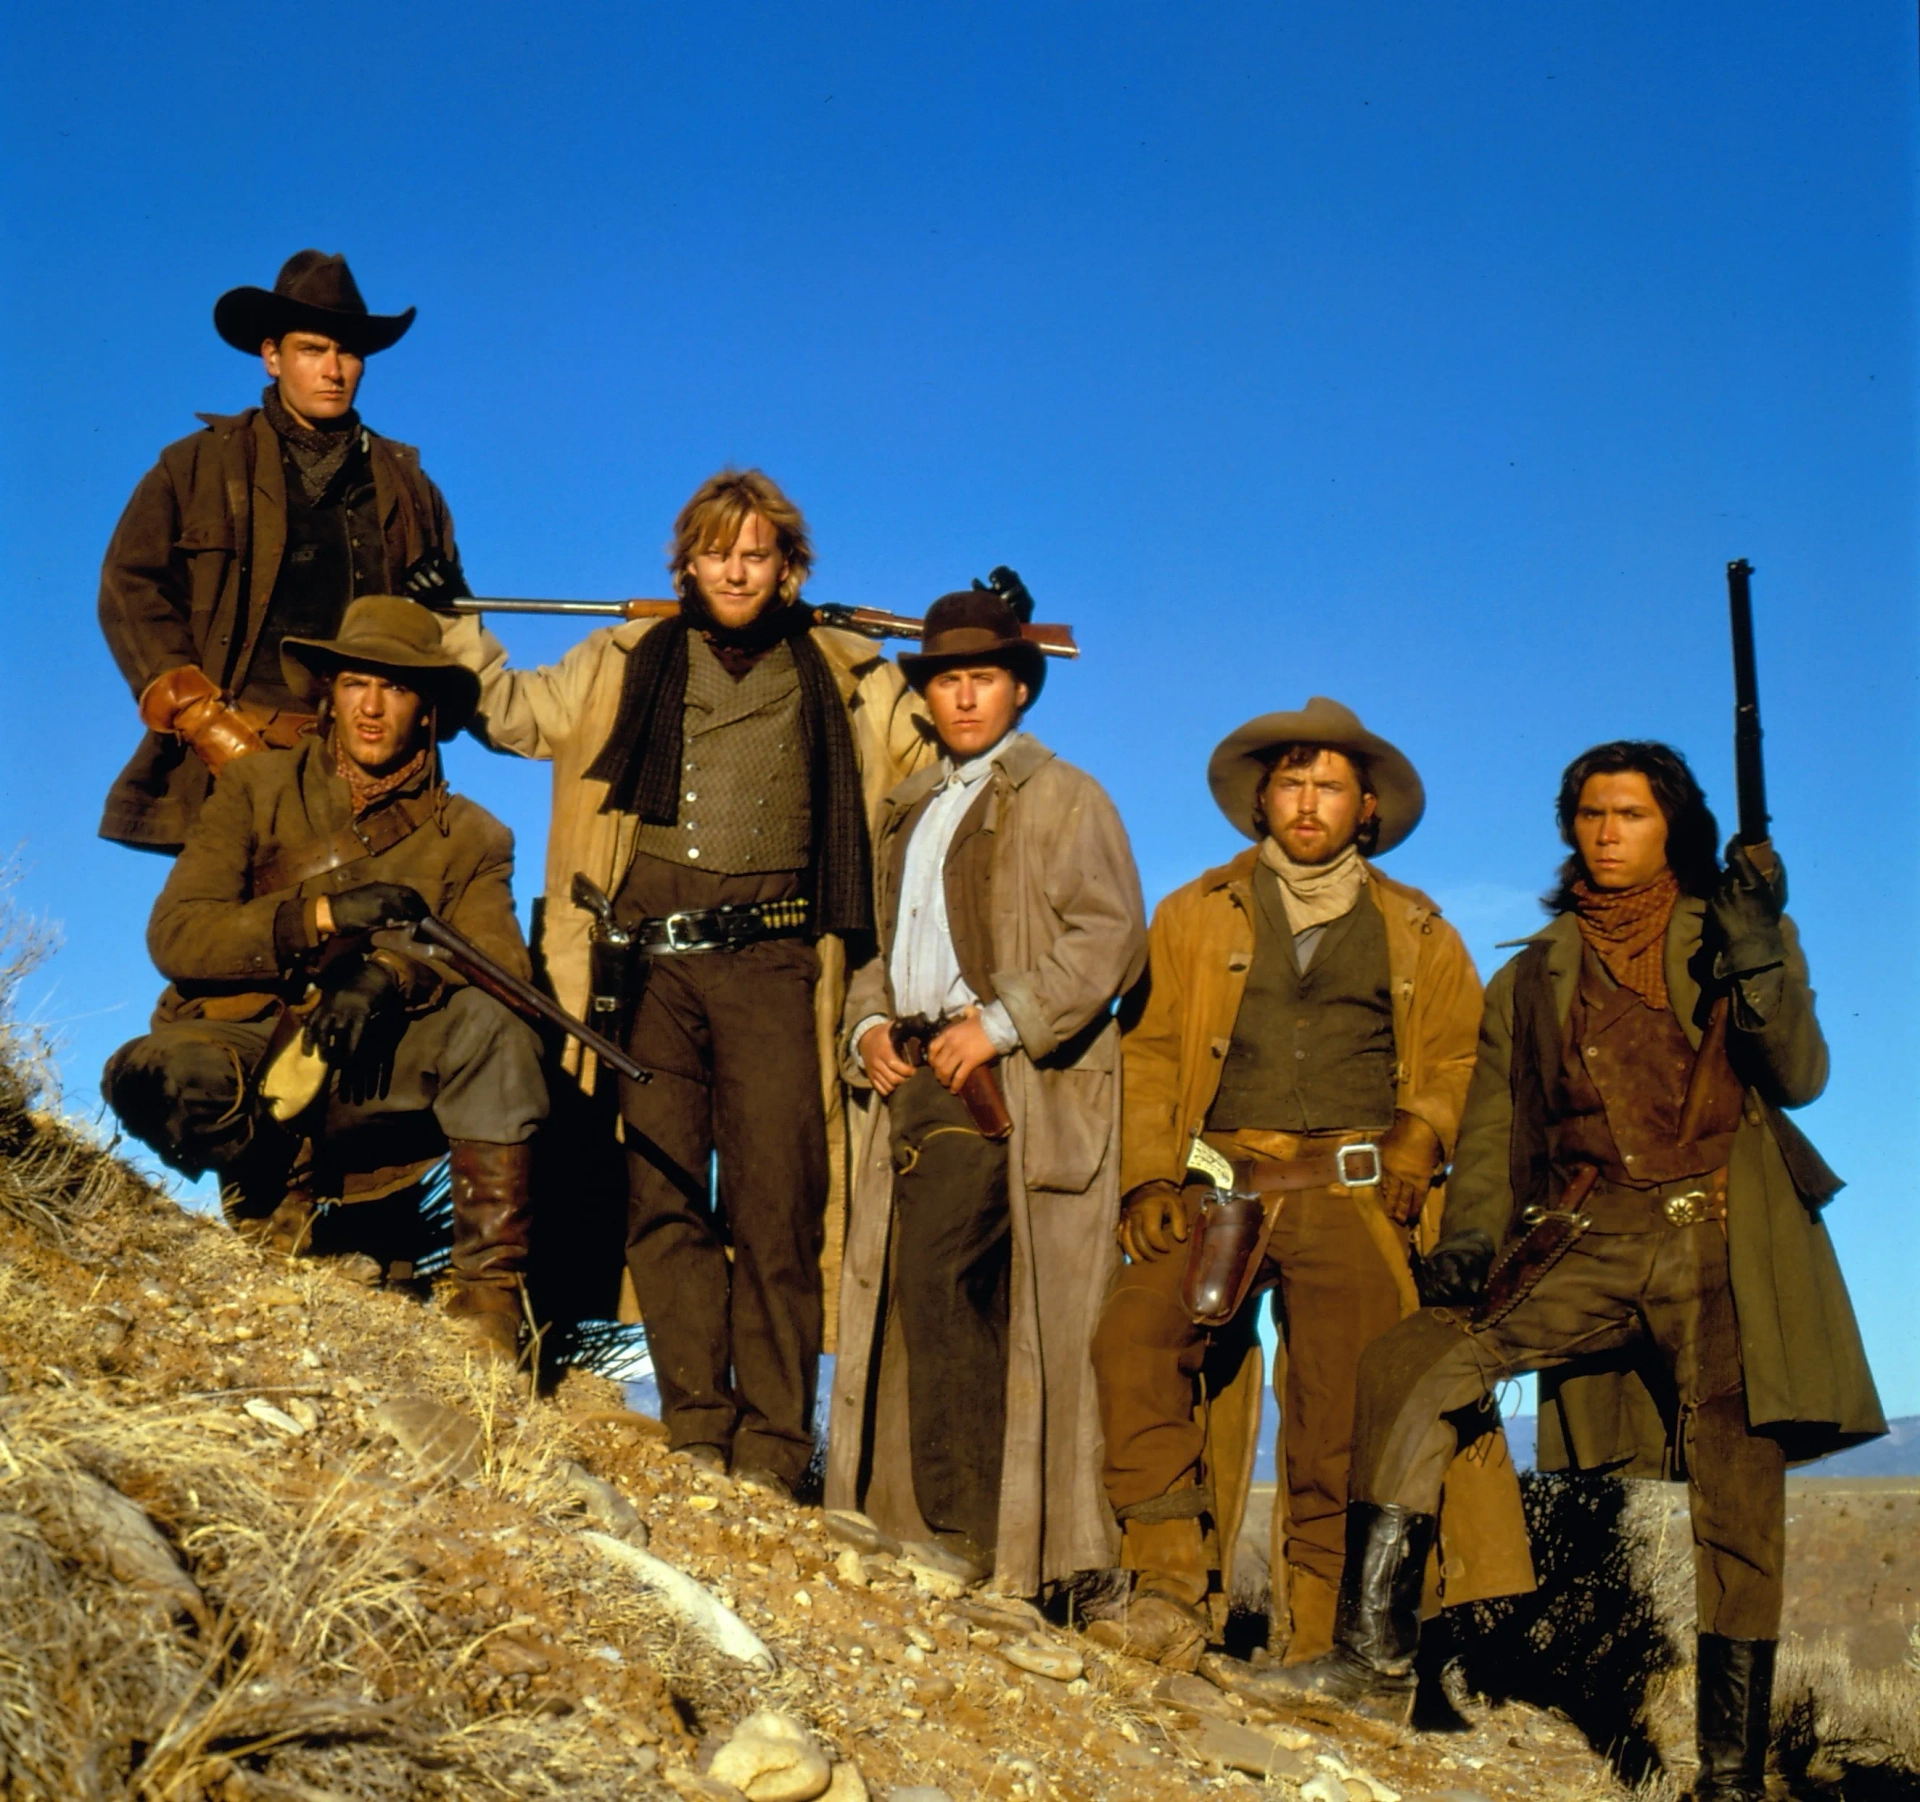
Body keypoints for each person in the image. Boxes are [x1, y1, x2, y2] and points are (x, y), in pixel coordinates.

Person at [1265, 742, 1885, 1797]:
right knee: (1412, 1364)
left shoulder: (1733, 937)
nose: (1607, 832)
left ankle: (1729, 1778)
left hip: (1722, 1241)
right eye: (1591, 813)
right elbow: (1501, 1130)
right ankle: (1372, 1663)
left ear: (1671, 827)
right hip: (1584, 1242)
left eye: (1631, 814)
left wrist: (1760, 950)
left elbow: (1802, 1074)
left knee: (1740, 1492)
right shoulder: (1532, 973)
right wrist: (1469, 1242)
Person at [437, 468, 932, 1495]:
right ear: (688, 564)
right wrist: (453, 617)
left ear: (788, 566)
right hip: (645, 964)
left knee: (780, 1203)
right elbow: (514, 713)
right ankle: (697, 1426)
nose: (735, 570)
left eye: (756, 554)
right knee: (662, 1195)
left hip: (780, 963)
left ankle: (772, 1447)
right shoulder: (624, 660)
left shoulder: (846, 674)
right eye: (716, 553)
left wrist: (981, 645)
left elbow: (937, 748)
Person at [1087, 698, 1530, 1673]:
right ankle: (1165, 1589)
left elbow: (1466, 1053)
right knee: (1133, 1335)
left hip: (1357, 1187)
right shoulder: (1195, 912)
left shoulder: (1420, 928)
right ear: (1261, 797)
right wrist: (1145, 1177)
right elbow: (1152, 1050)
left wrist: (1424, 1131)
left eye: (1330, 783)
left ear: (1365, 806)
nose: (1308, 799)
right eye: (1290, 780)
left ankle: (1323, 1637)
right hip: (1221, 1179)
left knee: (1346, 1405)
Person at [101, 597, 546, 1363]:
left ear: (429, 710)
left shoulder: (475, 836)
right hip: (248, 1043)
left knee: (500, 1030)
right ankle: (270, 1198)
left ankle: (486, 1311)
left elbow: (500, 964)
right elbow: (177, 934)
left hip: (377, 1068)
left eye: (398, 689)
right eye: (356, 684)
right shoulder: (251, 790)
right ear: (329, 694)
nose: (373, 709)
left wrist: (392, 974)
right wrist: (320, 917)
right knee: (152, 1074)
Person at [825, 590, 1147, 1594]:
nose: (964, 696)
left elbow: (1110, 935)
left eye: (982, 679)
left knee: (949, 1284)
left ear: (1018, 688)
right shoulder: (907, 807)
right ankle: (925, 1525)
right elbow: (880, 946)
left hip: (1008, 1084)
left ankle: (970, 1535)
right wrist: (868, 1023)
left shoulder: (1066, 796)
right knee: (922, 1300)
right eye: (946, 680)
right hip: (916, 1075)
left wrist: (999, 1021)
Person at [98, 250, 458, 853]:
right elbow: (129, 586)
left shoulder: (410, 487)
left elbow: (447, 632)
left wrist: (442, 598)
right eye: (313, 350)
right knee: (224, 940)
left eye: (347, 352)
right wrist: (201, 719)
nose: (333, 370)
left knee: (384, 940)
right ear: (272, 357)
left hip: (372, 770)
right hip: (226, 753)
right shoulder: (197, 465)